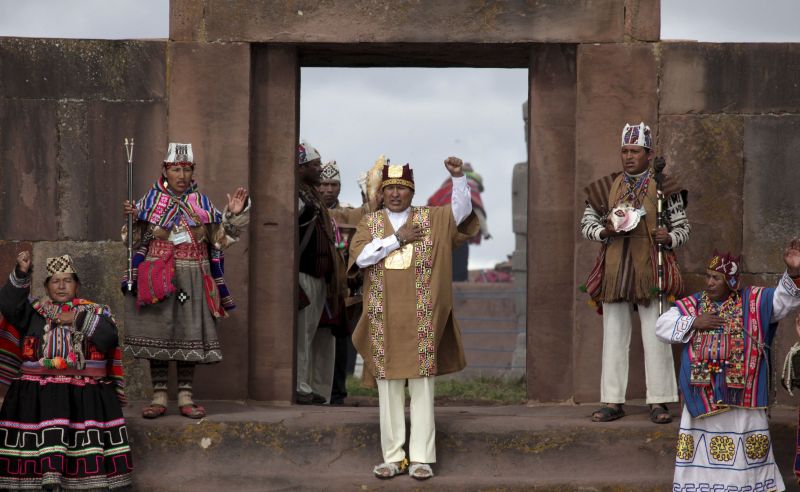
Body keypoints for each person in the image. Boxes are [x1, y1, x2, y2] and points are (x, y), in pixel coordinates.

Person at [350, 157, 479, 480]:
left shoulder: (431, 219)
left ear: (412, 191)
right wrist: (399, 238)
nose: (396, 194)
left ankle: (421, 458)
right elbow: (361, 258)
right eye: (390, 188)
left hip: (422, 320)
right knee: (389, 390)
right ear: (382, 193)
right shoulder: (370, 223)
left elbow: (462, 214)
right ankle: (393, 458)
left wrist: (458, 178)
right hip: (383, 320)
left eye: (402, 188)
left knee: (422, 389)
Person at [656, 244, 800, 491]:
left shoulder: (754, 302)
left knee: (745, 453)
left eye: (716, 278)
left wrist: (794, 271)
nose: (709, 283)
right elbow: (661, 326)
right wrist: (694, 322)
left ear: (731, 282)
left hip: (743, 397)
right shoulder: (692, 305)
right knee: (701, 454)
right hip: (702, 397)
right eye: (708, 276)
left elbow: (783, 301)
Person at [122, 142, 250, 419]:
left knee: (188, 332)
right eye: (176, 169)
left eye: (187, 169)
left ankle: (185, 396)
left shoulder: (202, 204)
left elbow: (220, 241)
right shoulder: (148, 202)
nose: (181, 175)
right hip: (157, 275)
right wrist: (134, 221)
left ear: (193, 171)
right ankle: (158, 396)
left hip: (193, 275)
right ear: (164, 170)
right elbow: (129, 240)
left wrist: (233, 215)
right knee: (158, 332)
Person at [580, 122, 690, 424]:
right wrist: (603, 231)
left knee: (657, 336)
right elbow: (586, 225)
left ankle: (659, 401)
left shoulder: (665, 188)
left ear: (648, 154)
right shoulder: (605, 187)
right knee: (614, 337)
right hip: (615, 271)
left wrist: (669, 237)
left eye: (635, 151)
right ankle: (612, 401)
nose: (628, 156)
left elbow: (683, 228)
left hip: (651, 270)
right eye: (625, 151)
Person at [0, 251, 132, 489]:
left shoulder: (96, 311)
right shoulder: (33, 311)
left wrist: (75, 318)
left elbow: (109, 338)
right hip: (35, 395)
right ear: (46, 286)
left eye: (67, 280)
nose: (61, 286)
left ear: (77, 285)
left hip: (85, 395)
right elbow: (8, 306)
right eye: (55, 281)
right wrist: (21, 272)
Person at [297, 143, 345, 404]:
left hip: (318, 277)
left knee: (312, 333)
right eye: (315, 165)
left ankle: (308, 386)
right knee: (302, 334)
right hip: (303, 274)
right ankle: (299, 385)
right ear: (302, 167)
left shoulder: (309, 195)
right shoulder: (296, 195)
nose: (319, 169)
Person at [317, 160, 364, 405]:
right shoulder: (308, 209)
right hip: (316, 282)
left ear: (340, 187)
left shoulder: (350, 213)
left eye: (333, 184)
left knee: (341, 339)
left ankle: (337, 392)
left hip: (343, 287)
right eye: (323, 184)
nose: (328, 189)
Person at [427, 162, 490, 281]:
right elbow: (478, 212)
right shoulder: (470, 187)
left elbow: (431, 206)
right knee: (459, 259)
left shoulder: (446, 188)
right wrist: (486, 232)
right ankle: (457, 282)